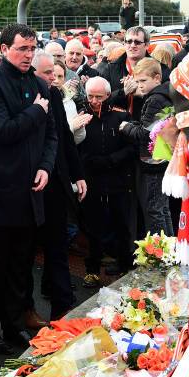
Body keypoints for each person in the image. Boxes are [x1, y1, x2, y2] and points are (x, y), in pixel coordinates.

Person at [0, 23, 57, 354]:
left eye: (32, 48)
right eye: (22, 48)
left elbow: (51, 135)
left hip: (29, 191)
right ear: (5, 48)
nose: (27, 54)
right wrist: (36, 109)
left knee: (21, 264)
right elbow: (3, 131)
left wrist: (45, 168)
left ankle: (15, 324)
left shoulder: (39, 83)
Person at [32, 52, 87, 319]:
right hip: (29, 184)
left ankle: (62, 308)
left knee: (58, 245)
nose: (53, 78)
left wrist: (78, 174)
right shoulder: (27, 96)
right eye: (47, 73)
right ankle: (26, 310)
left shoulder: (54, 94)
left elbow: (64, 136)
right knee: (27, 252)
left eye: (54, 73)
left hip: (56, 181)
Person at [78, 77, 136, 287]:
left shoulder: (121, 116)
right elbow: (75, 147)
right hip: (92, 179)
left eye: (99, 97)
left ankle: (124, 265)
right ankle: (92, 270)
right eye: (90, 96)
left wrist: (111, 160)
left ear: (108, 96)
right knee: (93, 226)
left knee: (121, 224)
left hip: (117, 178)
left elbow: (131, 148)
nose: (94, 101)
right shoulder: (81, 116)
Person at [120, 58, 173, 236]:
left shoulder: (155, 100)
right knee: (162, 209)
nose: (139, 85)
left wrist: (127, 127)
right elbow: (149, 126)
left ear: (157, 78)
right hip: (162, 159)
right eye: (137, 81)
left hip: (153, 162)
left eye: (143, 81)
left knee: (154, 210)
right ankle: (169, 253)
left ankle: (160, 258)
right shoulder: (163, 95)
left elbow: (146, 134)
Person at [103, 26, 170, 121]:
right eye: (129, 41)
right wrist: (124, 92)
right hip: (117, 127)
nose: (132, 45)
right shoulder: (110, 69)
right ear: (124, 43)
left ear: (147, 45)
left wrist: (143, 93)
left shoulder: (161, 69)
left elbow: (169, 98)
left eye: (137, 42)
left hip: (146, 126)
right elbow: (101, 100)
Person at [53, 60, 88, 144]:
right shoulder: (42, 101)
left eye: (60, 76)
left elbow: (77, 139)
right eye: (53, 76)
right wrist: (72, 126)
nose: (56, 80)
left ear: (64, 79)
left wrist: (80, 126)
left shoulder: (69, 101)